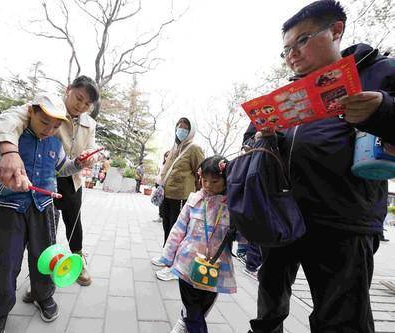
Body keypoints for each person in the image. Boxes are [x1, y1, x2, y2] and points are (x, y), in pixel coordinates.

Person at [245, 2, 395, 332]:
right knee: (268, 309)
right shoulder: (285, 94)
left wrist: (382, 109)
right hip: (281, 216)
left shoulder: (380, 72)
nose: (292, 54)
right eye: (285, 50)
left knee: (341, 320)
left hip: (342, 221)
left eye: (302, 40)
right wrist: (259, 137)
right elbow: (251, 139)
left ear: (336, 31)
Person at [0, 95, 85, 333]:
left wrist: (77, 164)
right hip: (10, 211)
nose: (50, 130)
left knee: (45, 258)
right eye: (44, 122)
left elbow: (61, 167)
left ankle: (42, 295)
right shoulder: (10, 140)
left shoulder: (55, 143)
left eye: (55, 126)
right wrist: (0, 173)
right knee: (4, 263)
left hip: (45, 211)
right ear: (31, 112)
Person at [0, 75, 100, 288]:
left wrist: (89, 157)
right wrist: (10, 150)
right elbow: (12, 118)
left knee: (74, 221)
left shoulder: (89, 123)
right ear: (69, 89)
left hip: (71, 177)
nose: (81, 106)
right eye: (79, 98)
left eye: (87, 104)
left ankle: (77, 259)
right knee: (47, 228)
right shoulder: (46, 107)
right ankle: (43, 271)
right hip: (42, 179)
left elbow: (90, 147)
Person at [159, 156, 236, 333]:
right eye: (204, 180)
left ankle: (184, 321)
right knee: (193, 307)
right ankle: (191, 323)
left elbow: (244, 238)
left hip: (215, 267)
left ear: (227, 181)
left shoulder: (232, 206)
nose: (208, 185)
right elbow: (178, 229)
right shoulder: (194, 200)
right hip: (187, 262)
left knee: (203, 306)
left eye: (215, 181)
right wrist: (168, 256)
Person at [152, 117, 205, 281]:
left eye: (184, 128)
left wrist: (199, 194)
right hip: (167, 194)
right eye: (178, 127)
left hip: (182, 196)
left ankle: (175, 266)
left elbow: (201, 172)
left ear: (191, 132)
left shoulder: (194, 148)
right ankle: (166, 256)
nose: (180, 130)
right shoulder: (175, 147)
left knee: (178, 232)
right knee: (167, 225)